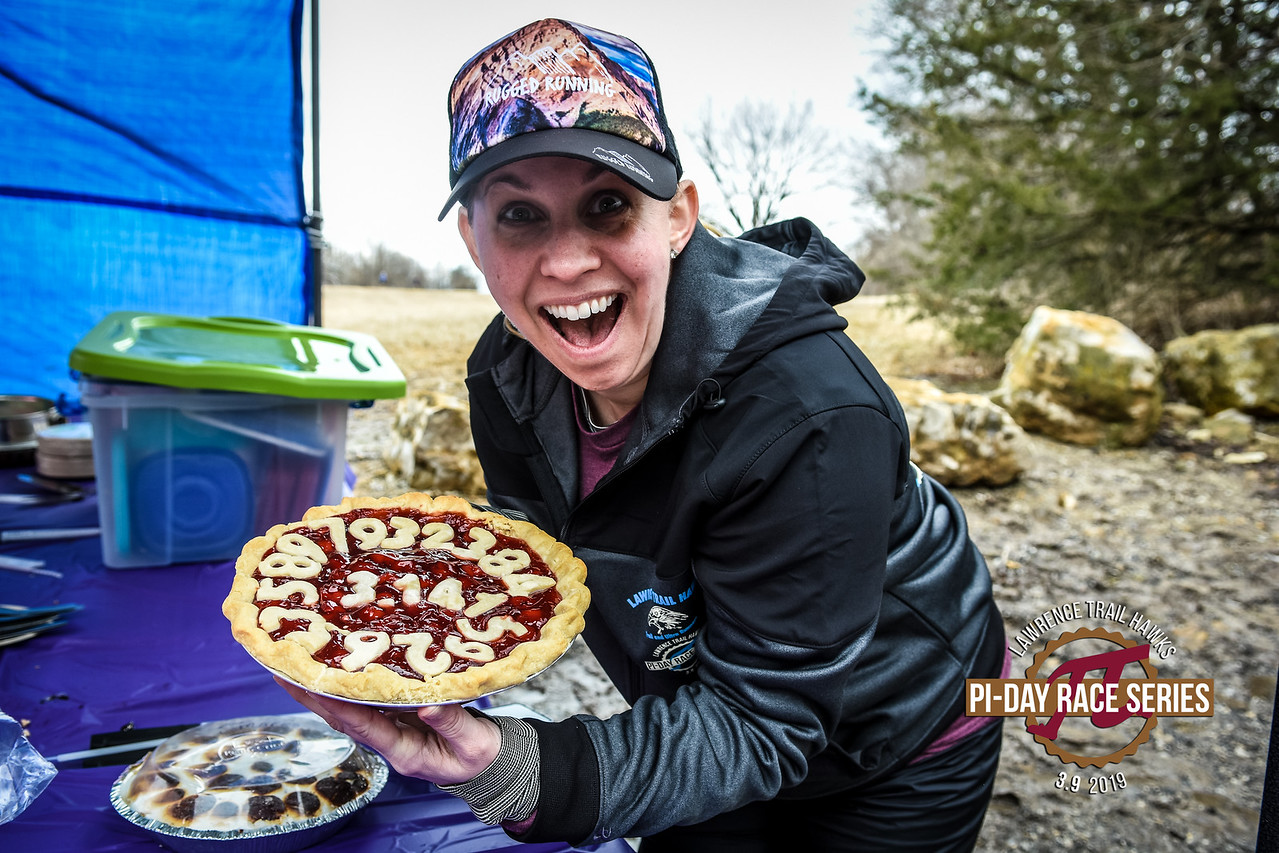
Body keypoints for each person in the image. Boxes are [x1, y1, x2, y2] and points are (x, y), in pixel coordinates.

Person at [279, 18, 1008, 851]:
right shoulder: (504, 375)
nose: (565, 262)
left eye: (608, 205)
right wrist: (393, 617)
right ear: (470, 243)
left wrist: (518, 768)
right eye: (518, 214)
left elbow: (770, 719)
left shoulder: (809, 414)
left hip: (895, 731)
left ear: (677, 218)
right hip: (696, 708)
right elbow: (535, 567)